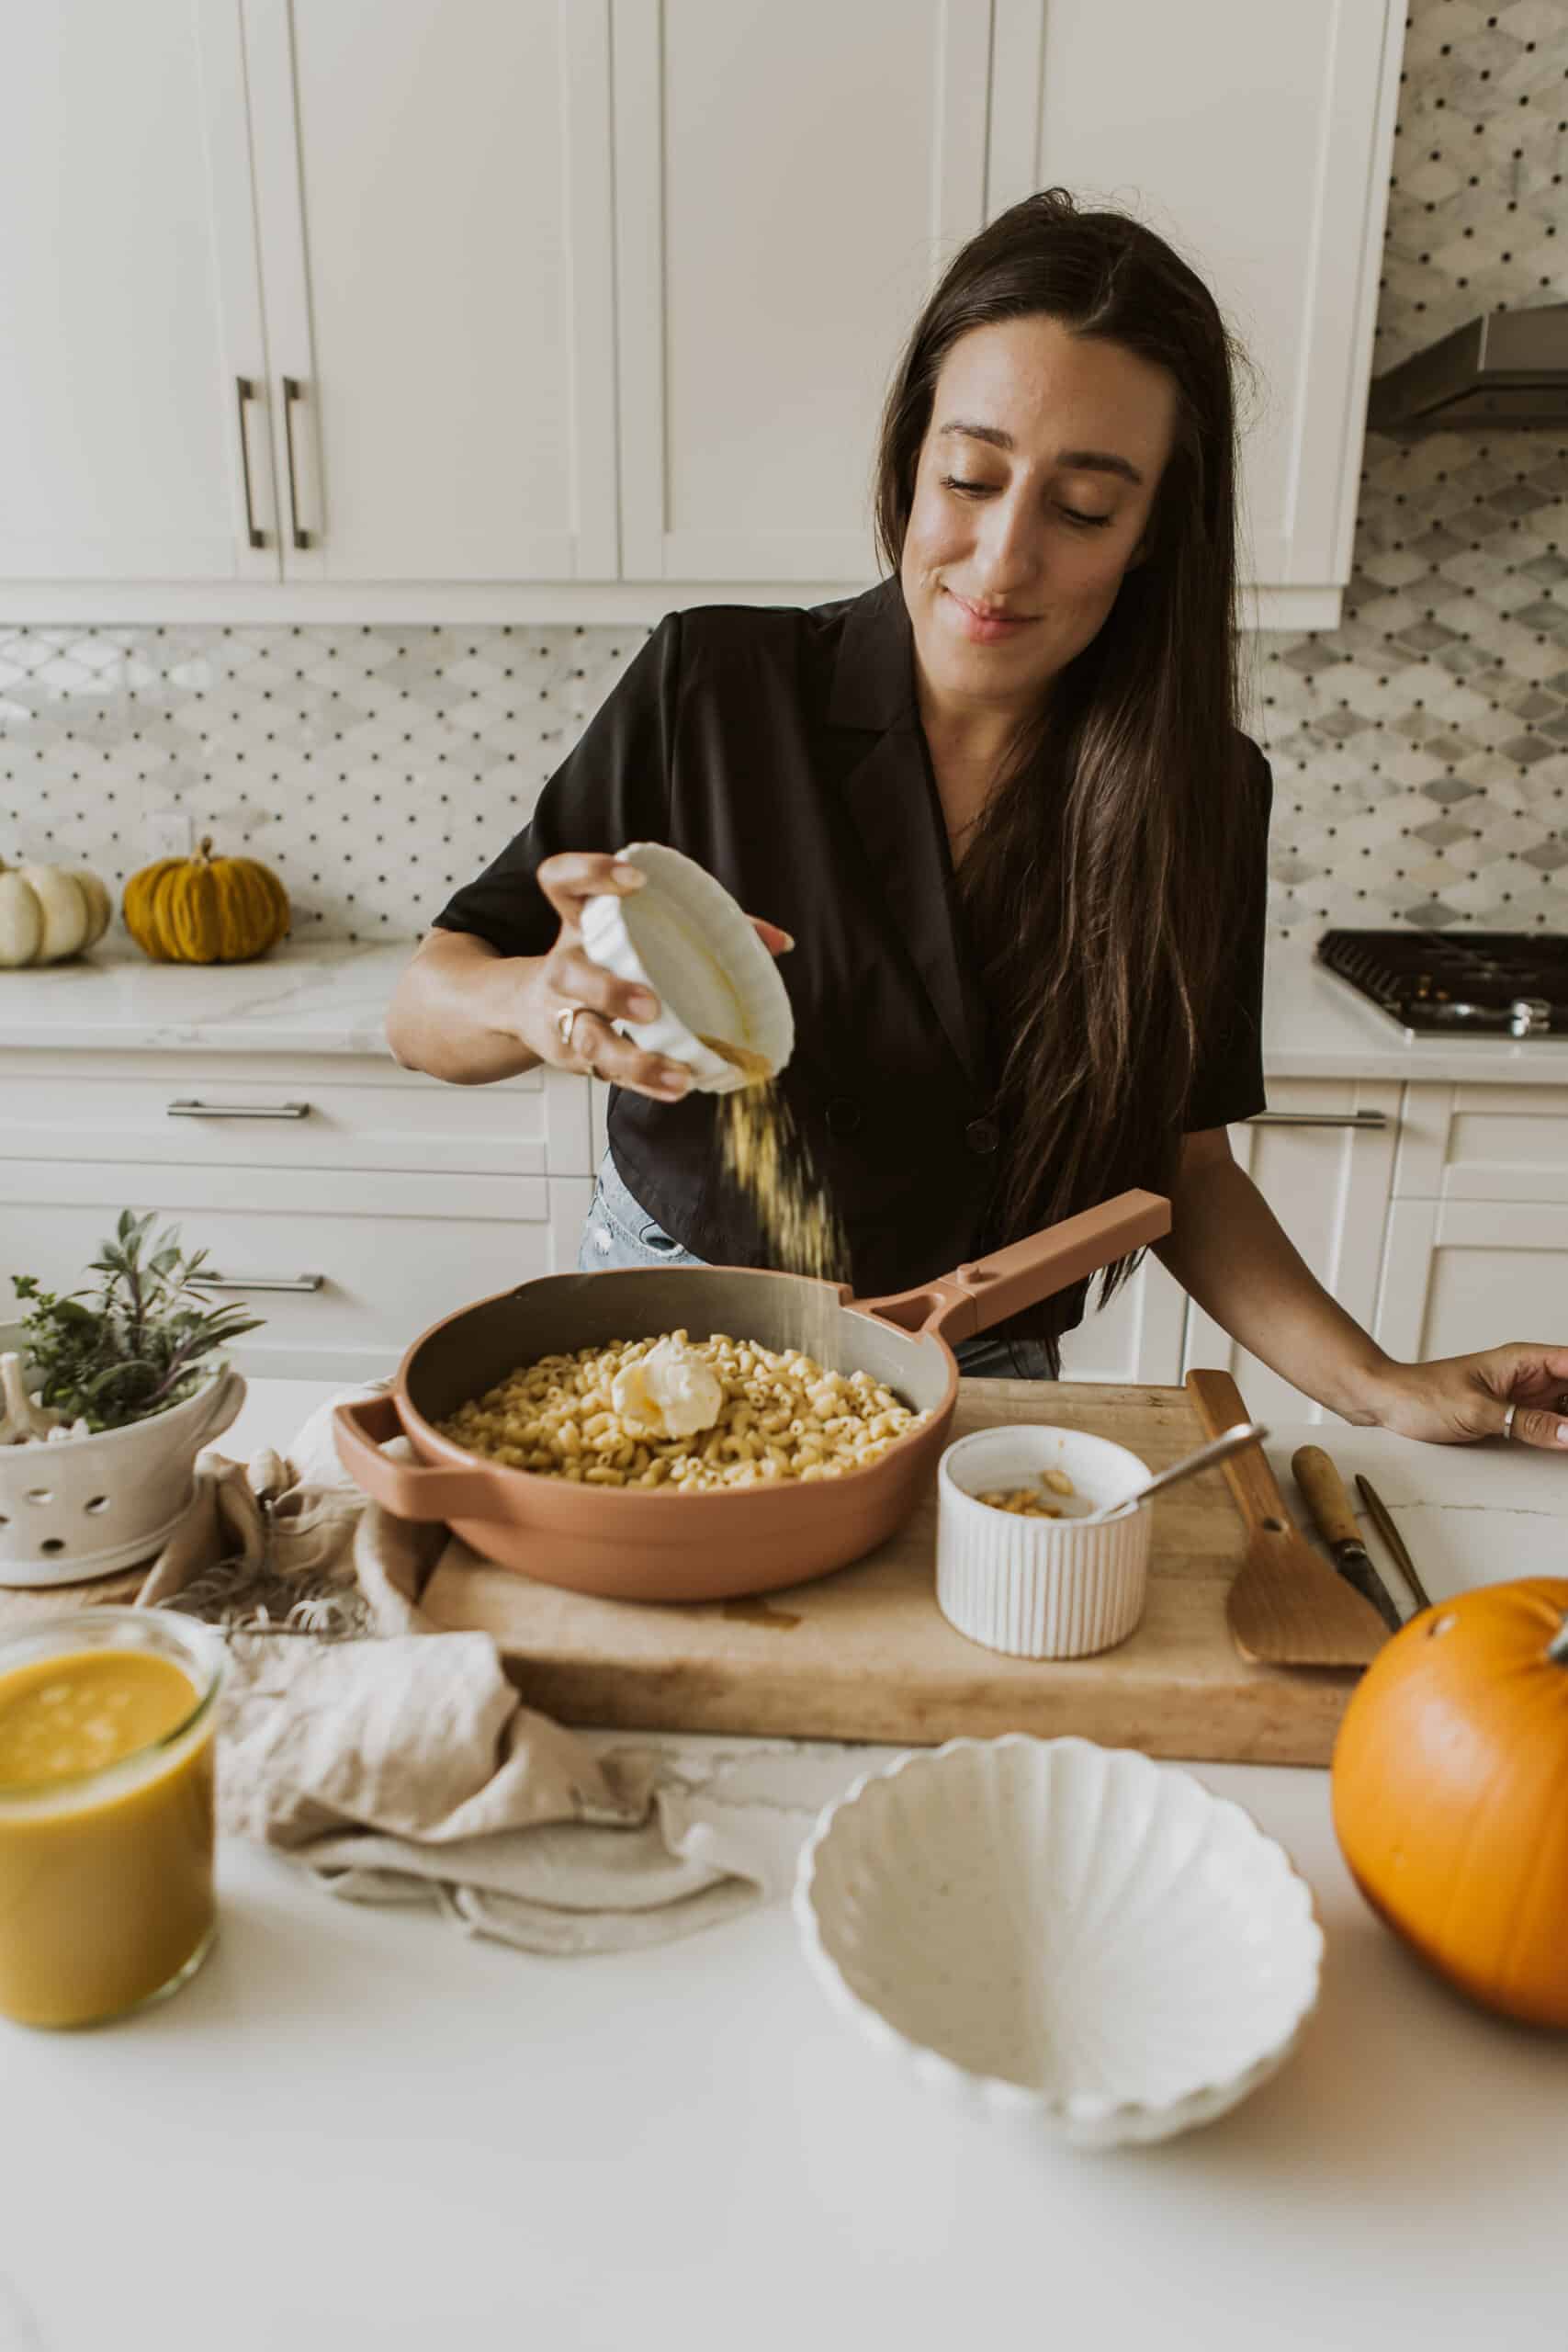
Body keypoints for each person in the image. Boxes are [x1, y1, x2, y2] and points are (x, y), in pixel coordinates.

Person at [388, 188, 1568, 1453]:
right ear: (910, 463)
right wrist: (537, 1005)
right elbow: (424, 1008)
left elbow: (1185, 1166)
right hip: (668, 1327)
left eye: (1083, 510)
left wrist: (1381, 1385)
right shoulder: (714, 687)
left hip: (980, 1360)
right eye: (970, 477)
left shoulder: (1203, 793)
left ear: (1158, 530)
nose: (1002, 562)